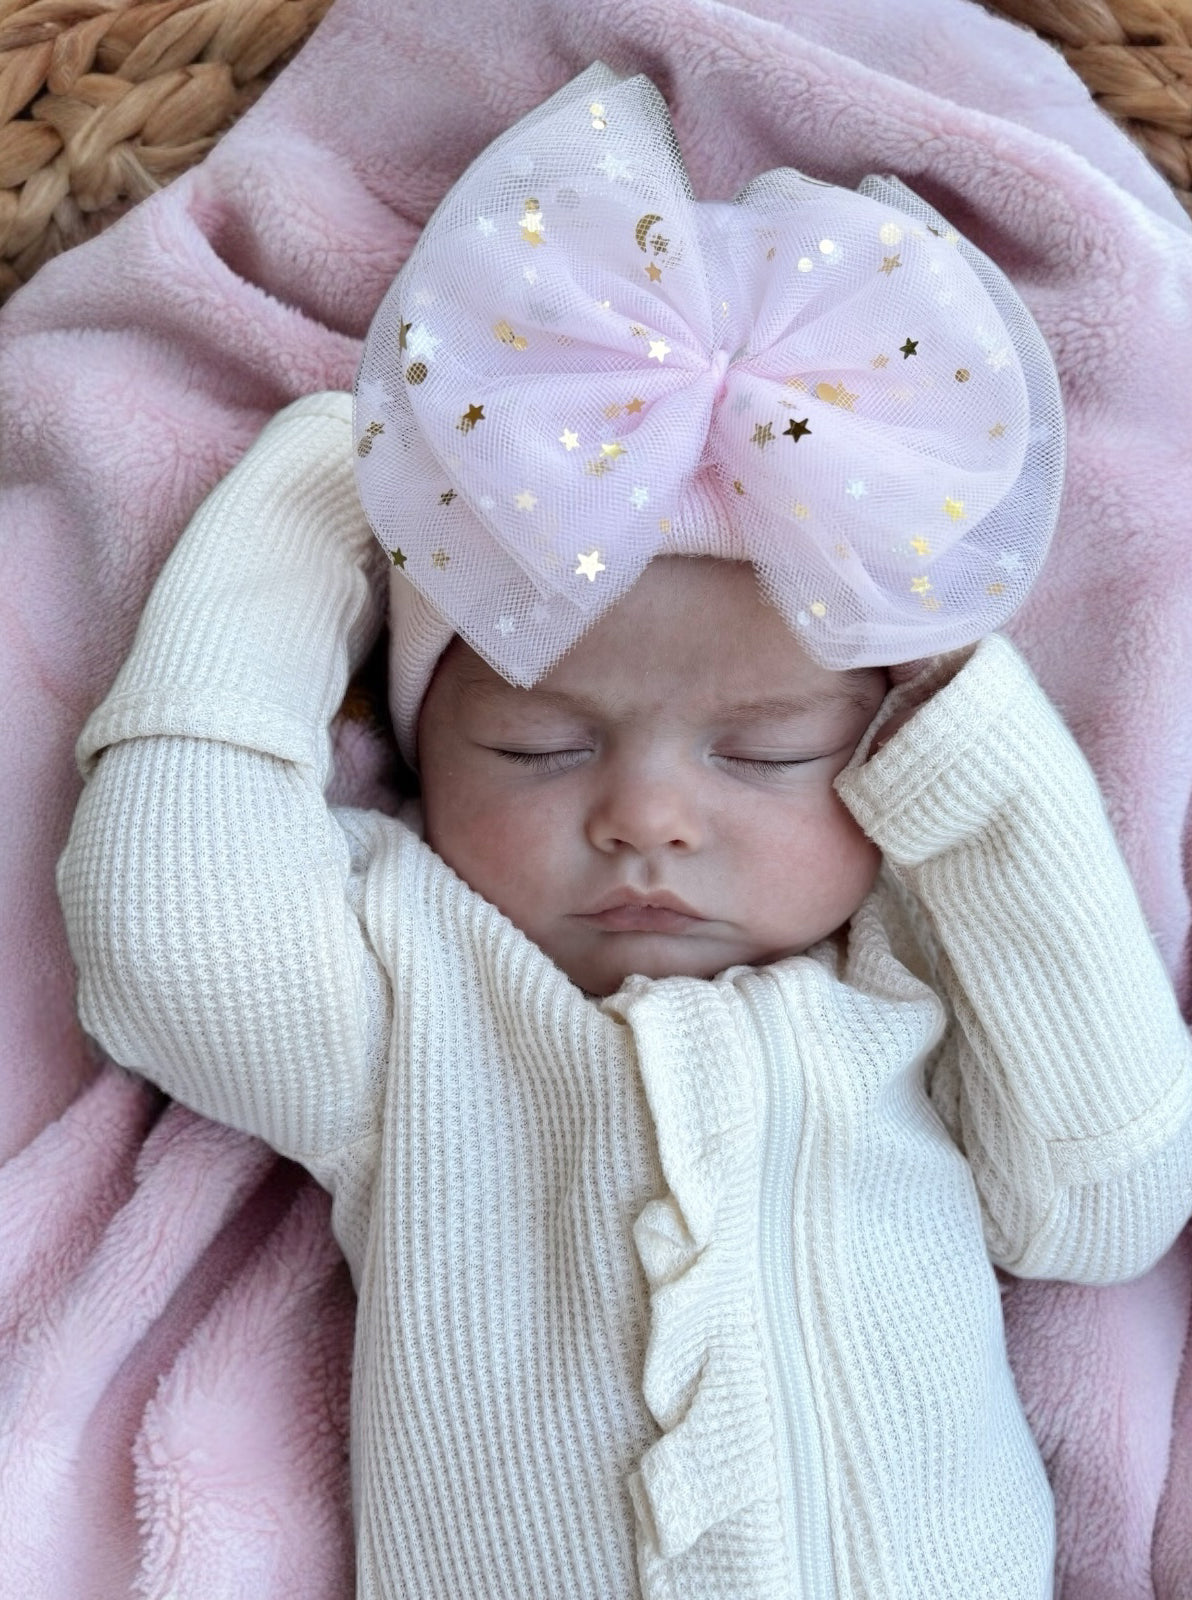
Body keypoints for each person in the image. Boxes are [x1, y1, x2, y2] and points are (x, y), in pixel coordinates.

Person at [56, 61, 1192, 1600]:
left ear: (884, 755)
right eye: (540, 744)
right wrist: (323, 498)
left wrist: (972, 745)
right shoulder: (420, 995)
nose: (650, 817)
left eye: (772, 753)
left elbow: (1107, 1203)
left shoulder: (911, 985)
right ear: (417, 749)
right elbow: (169, 953)